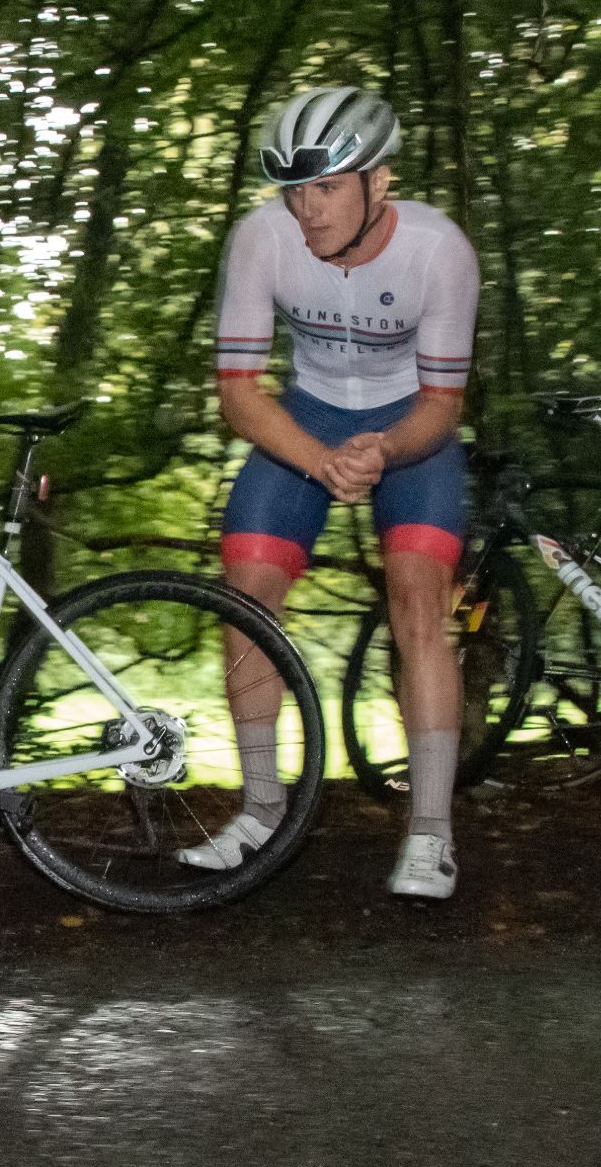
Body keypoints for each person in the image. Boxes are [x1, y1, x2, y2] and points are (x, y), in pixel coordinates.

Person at [182, 86, 477, 900]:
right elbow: (240, 392)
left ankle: (430, 836)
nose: (305, 210)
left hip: (411, 423)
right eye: (293, 189)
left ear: (378, 182)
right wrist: (319, 459)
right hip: (304, 418)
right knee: (247, 592)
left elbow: (444, 405)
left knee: (419, 602)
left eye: (326, 188)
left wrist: (383, 448)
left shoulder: (438, 249)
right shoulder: (262, 238)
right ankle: (261, 811)